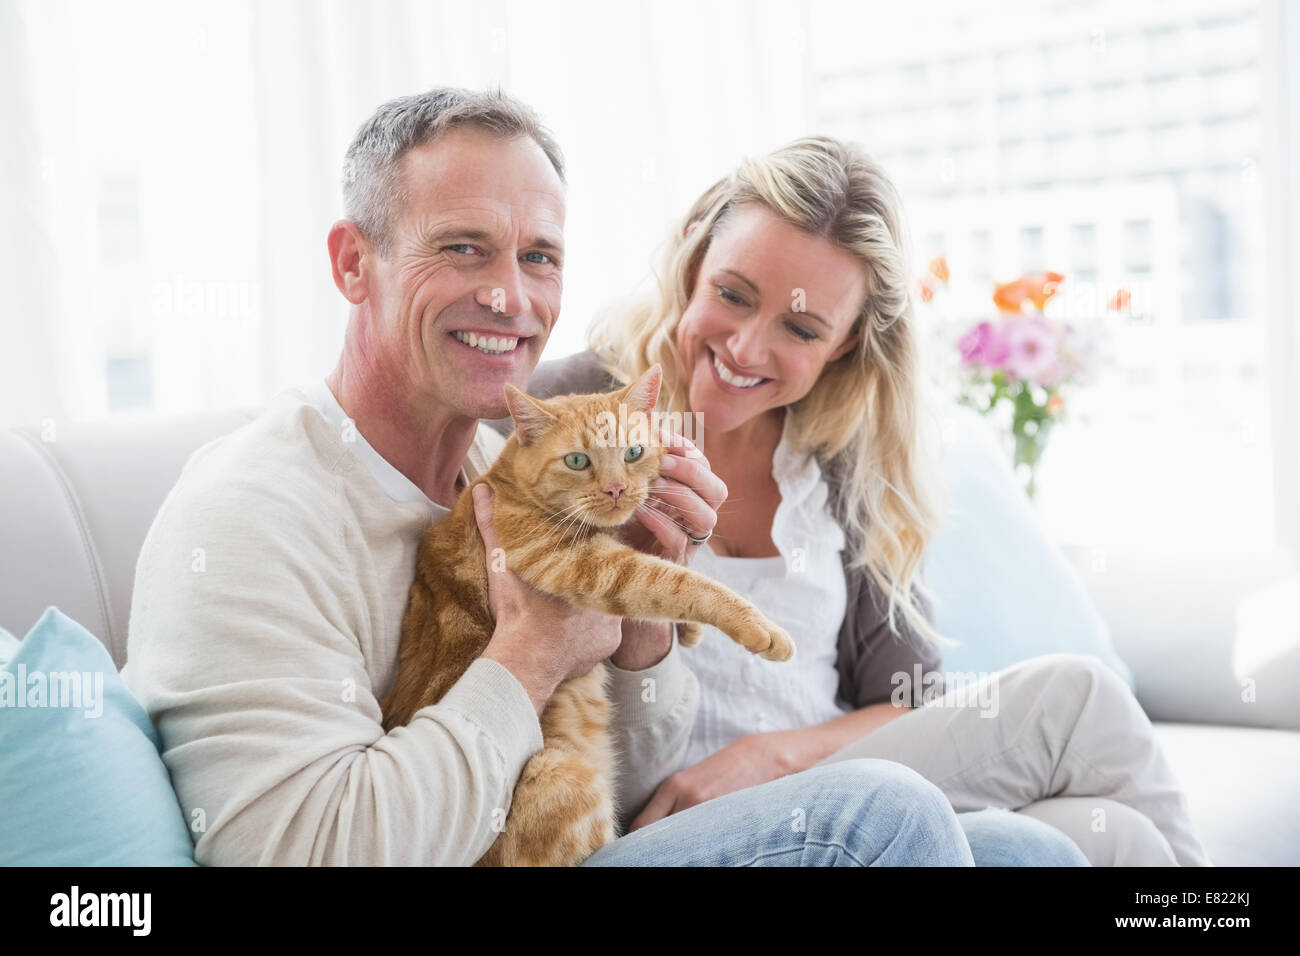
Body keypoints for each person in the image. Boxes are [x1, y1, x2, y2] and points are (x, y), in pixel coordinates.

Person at [121, 87, 1072, 866]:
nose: (511, 296)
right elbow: (300, 852)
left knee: (1035, 859)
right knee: (883, 814)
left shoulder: (517, 466)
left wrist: (644, 633)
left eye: (539, 257)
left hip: (565, 842)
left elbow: (626, 774)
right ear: (351, 263)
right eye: (463, 247)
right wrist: (530, 654)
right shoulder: (251, 511)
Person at [516, 135, 1212, 866]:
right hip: (680, 818)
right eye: (732, 294)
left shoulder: (839, 460)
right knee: (1076, 700)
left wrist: (772, 757)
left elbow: (906, 696)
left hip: (836, 799)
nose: (747, 349)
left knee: (1096, 840)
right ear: (693, 263)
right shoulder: (564, 417)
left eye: (801, 328)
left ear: (845, 344)